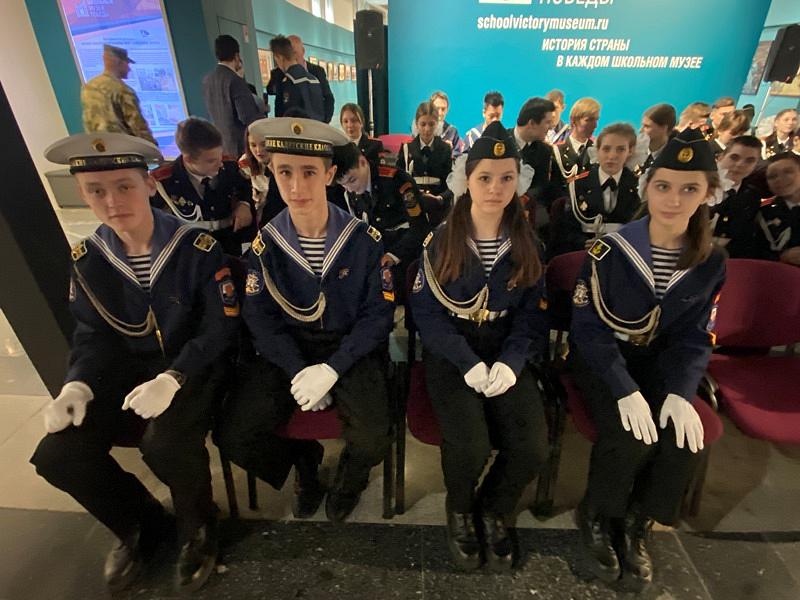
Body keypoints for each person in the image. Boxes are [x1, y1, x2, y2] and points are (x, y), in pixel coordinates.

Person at [32, 132, 240, 593]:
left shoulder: (195, 248)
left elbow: (217, 329)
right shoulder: (90, 258)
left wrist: (173, 377)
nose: (111, 202)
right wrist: (77, 385)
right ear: (81, 193)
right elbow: (92, 335)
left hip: (192, 368)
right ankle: (139, 521)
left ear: (148, 185)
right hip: (124, 373)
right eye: (96, 190)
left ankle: (198, 525)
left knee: (165, 443)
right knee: (57, 454)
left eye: (123, 186)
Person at [569, 128, 726, 592]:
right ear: (647, 188)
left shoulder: (710, 261)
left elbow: (696, 336)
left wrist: (681, 391)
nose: (674, 200)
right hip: (604, 360)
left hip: (662, 364)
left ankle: (637, 524)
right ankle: (598, 515)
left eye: (689, 188)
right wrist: (624, 388)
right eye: (663, 186)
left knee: (683, 439)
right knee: (629, 435)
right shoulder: (610, 250)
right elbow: (589, 330)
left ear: (708, 194)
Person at [218, 117, 395, 523]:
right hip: (288, 349)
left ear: (329, 175)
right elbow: (261, 319)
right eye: (285, 172)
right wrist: (299, 370)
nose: (296, 186)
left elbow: (378, 315)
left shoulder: (363, 240)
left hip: (348, 348)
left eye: (309, 172)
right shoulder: (266, 245)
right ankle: (305, 463)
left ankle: (349, 480)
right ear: (271, 173)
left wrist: (332, 370)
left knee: (374, 436)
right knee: (234, 435)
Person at [410, 121, 549, 571]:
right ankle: (460, 509)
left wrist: (512, 361)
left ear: (518, 181)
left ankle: (493, 507)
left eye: (506, 177)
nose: (495, 188)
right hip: (454, 354)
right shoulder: (439, 241)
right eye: (484, 177)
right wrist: (467, 362)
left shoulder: (529, 243)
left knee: (532, 446)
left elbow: (532, 315)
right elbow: (427, 314)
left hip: (506, 349)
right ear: (465, 180)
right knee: (469, 444)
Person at [333, 140, 431, 293]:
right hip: (375, 254)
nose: (350, 188)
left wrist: (393, 256)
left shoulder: (397, 180)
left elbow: (419, 227)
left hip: (404, 254)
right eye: (344, 185)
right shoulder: (351, 192)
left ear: (363, 162)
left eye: (352, 180)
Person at [150, 118, 254, 256]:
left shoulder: (230, 166)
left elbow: (245, 187)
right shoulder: (163, 182)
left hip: (229, 245)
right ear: (188, 159)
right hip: (190, 252)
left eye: (220, 156)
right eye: (211, 161)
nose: (220, 164)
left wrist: (244, 204)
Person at [549, 123, 640, 258]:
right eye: (606, 149)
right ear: (597, 150)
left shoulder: (638, 186)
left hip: (624, 256)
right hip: (582, 255)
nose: (612, 156)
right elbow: (564, 231)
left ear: (630, 151)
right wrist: (583, 243)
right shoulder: (577, 185)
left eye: (620, 149)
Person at [81, 45, 156, 145]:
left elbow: (88, 121)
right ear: (118, 62)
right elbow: (138, 127)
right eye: (127, 63)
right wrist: (153, 148)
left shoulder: (88, 87)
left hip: (99, 148)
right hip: (123, 149)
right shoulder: (123, 90)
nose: (129, 69)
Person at [202, 35, 262, 157]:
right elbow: (247, 116)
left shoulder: (207, 80)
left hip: (221, 146)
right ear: (236, 56)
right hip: (239, 147)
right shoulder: (235, 81)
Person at [397, 101, 454, 227]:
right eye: (423, 124)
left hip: (438, 210)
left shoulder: (445, 149)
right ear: (416, 124)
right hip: (412, 210)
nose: (427, 129)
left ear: (438, 124)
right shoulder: (406, 149)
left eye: (431, 124)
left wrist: (441, 198)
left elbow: (451, 182)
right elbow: (398, 181)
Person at [510, 96, 558, 226]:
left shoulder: (545, 151)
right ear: (531, 123)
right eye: (547, 122)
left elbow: (541, 187)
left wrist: (523, 200)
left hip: (529, 214)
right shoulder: (498, 141)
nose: (551, 127)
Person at [754, 152, 800, 265]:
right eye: (772, 176)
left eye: (788, 172)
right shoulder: (764, 215)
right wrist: (782, 257)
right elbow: (756, 253)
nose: (780, 179)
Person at [238, 120, 286, 227]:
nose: (258, 151)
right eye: (253, 145)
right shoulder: (245, 164)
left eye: (264, 144)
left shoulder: (286, 164)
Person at [268, 35, 325, 122]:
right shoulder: (314, 80)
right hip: (317, 128)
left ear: (280, 57)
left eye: (276, 60)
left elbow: (285, 118)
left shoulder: (287, 83)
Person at [288, 35, 335, 123]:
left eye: (295, 53)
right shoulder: (283, 74)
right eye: (289, 54)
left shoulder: (317, 71)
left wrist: (325, 122)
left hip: (316, 123)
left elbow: (328, 97)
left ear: (303, 51)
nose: (292, 57)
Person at [552, 97, 601, 179]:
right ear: (573, 121)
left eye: (596, 120)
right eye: (589, 120)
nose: (595, 125)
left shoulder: (598, 151)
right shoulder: (557, 151)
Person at [340, 102, 384, 169]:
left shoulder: (375, 145)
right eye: (345, 121)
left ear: (362, 123)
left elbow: (378, 171)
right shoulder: (338, 146)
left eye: (354, 121)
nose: (349, 125)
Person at [638, 103, 676, 173]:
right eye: (642, 125)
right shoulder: (634, 152)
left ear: (664, 128)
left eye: (647, 126)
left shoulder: (674, 159)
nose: (640, 130)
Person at [430, 90, 463, 155]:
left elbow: (458, 156)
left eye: (443, 109)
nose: (440, 113)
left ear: (447, 109)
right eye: (437, 108)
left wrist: (449, 151)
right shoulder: (422, 129)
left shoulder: (452, 131)